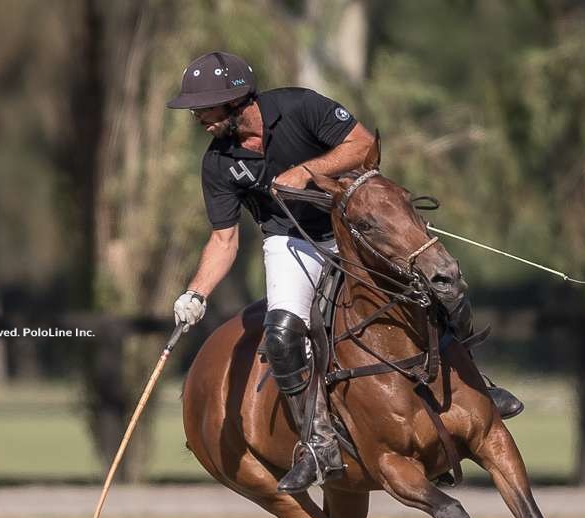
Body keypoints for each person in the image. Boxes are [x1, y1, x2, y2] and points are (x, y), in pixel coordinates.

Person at [169, 51, 522, 494]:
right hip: (291, 243)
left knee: (440, 286)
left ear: (236, 100)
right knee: (280, 335)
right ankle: (317, 441)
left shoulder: (300, 107)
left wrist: (305, 171)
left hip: (356, 225)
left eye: (204, 107)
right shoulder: (218, 163)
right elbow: (224, 239)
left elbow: (363, 146)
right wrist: (195, 295)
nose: (198, 117)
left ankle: (477, 383)